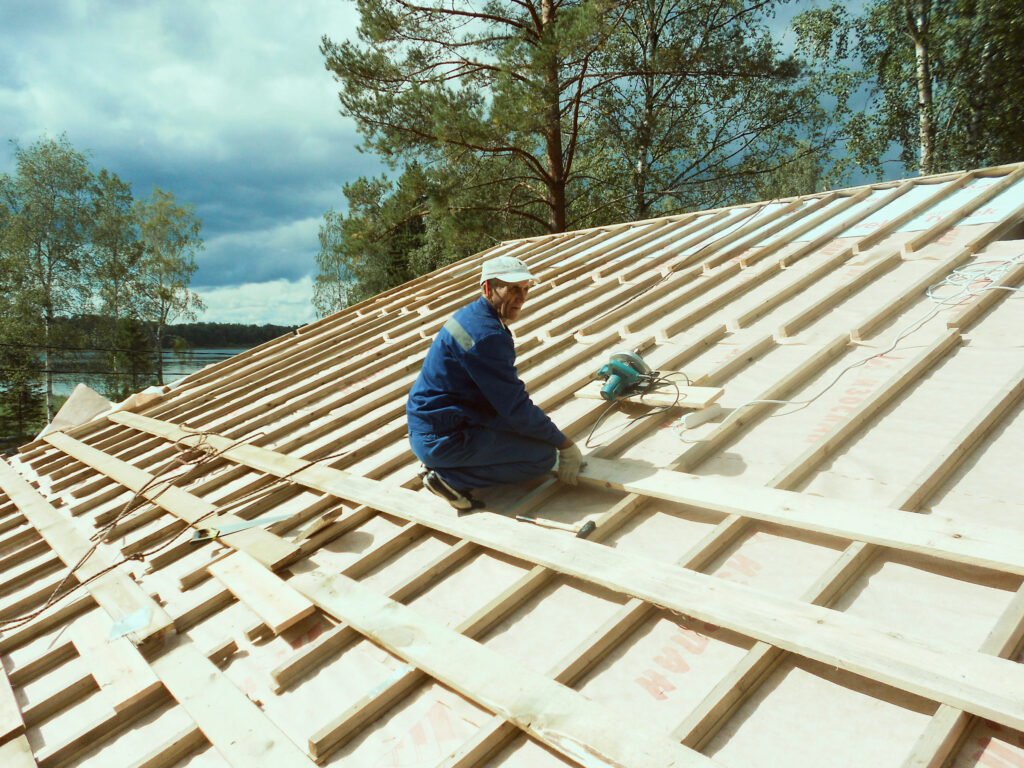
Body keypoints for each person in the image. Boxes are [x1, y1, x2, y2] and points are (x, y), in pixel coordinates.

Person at [406, 255, 584, 510]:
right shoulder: (486, 335)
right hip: (443, 438)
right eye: (512, 289)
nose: (522, 298)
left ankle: (446, 463)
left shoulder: (471, 316)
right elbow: (515, 408)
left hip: (431, 427)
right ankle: (449, 478)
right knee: (542, 458)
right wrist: (564, 444)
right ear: (488, 288)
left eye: (525, 289)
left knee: (532, 436)